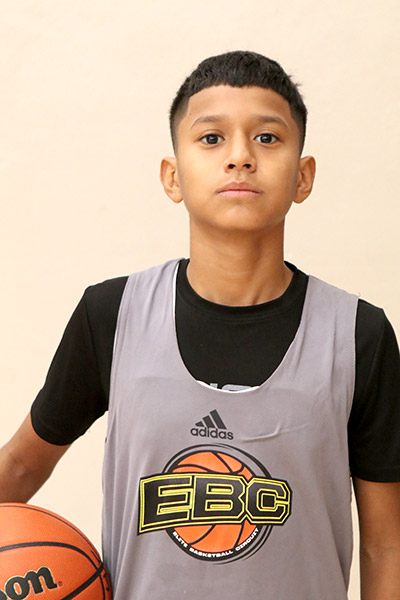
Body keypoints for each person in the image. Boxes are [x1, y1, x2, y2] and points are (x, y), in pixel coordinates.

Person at [0, 50, 399, 599]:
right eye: (211, 138)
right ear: (173, 177)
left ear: (303, 177)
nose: (240, 157)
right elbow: (21, 466)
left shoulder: (357, 336)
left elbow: (385, 545)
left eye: (267, 138)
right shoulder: (111, 315)